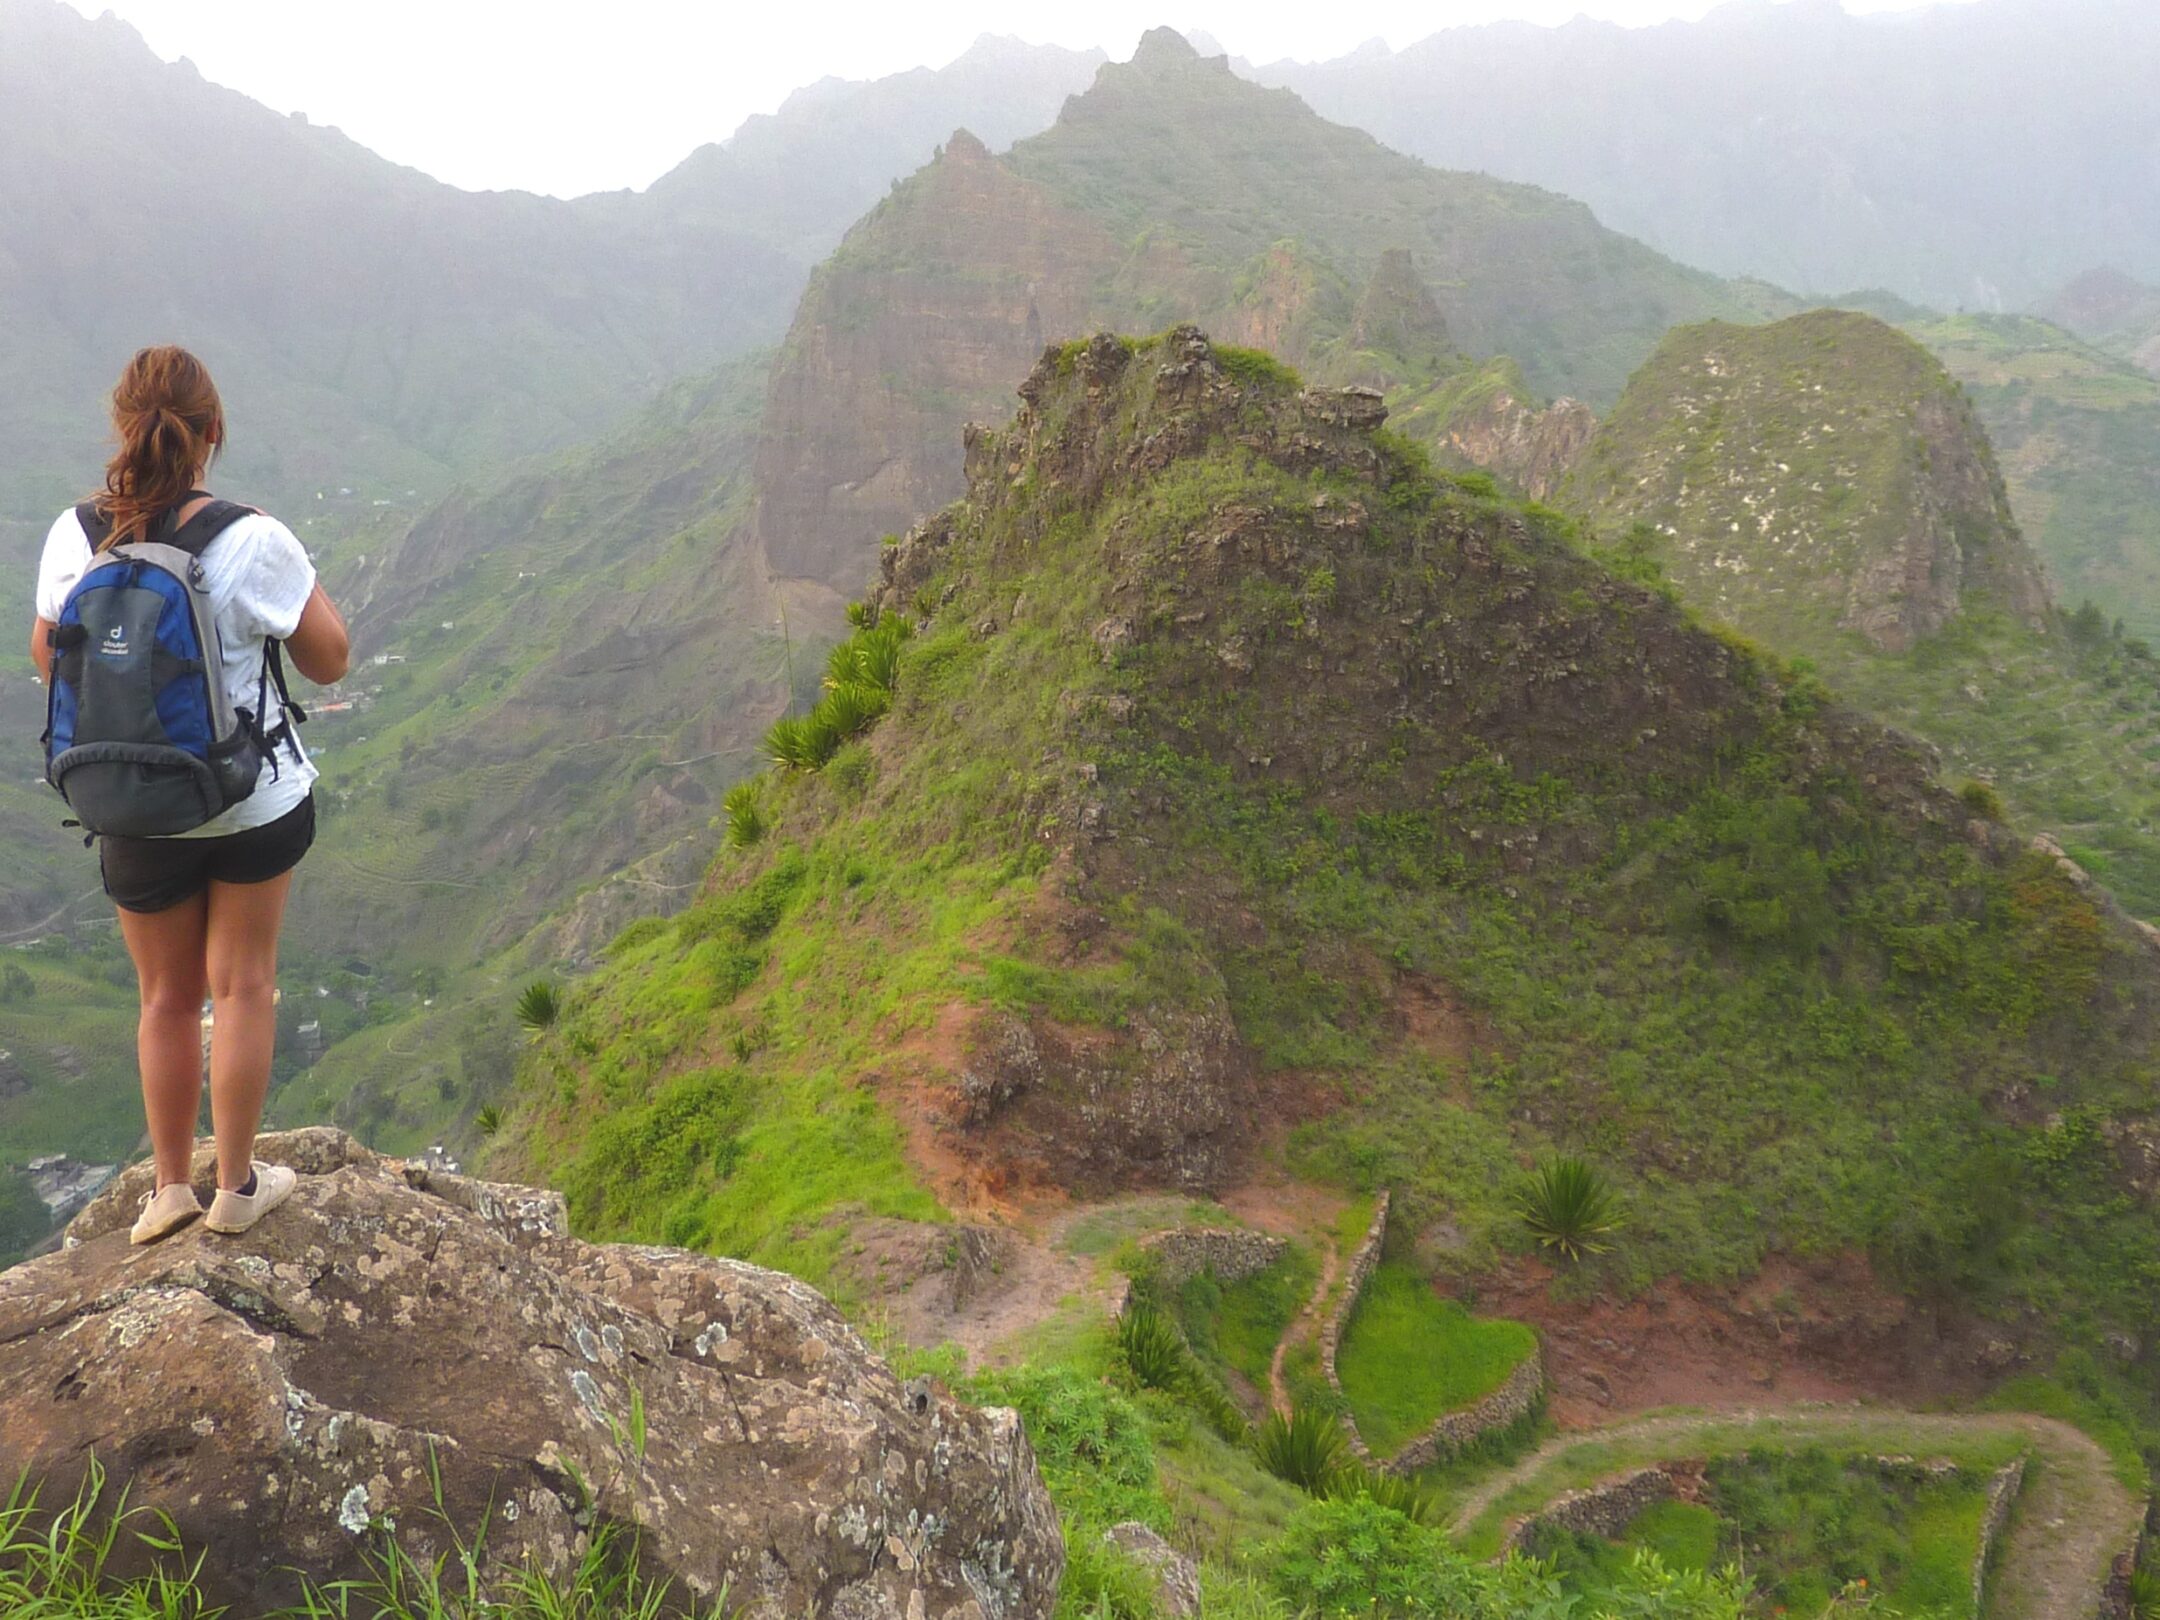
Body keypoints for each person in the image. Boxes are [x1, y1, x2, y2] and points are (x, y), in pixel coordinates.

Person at [29, 347, 350, 1244]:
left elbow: (50, 656)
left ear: (123, 427)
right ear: (214, 433)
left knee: (164, 998)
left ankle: (169, 1189)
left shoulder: (75, 532)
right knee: (242, 985)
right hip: (251, 800)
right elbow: (330, 660)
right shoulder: (255, 537)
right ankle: (238, 1187)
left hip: (132, 801)